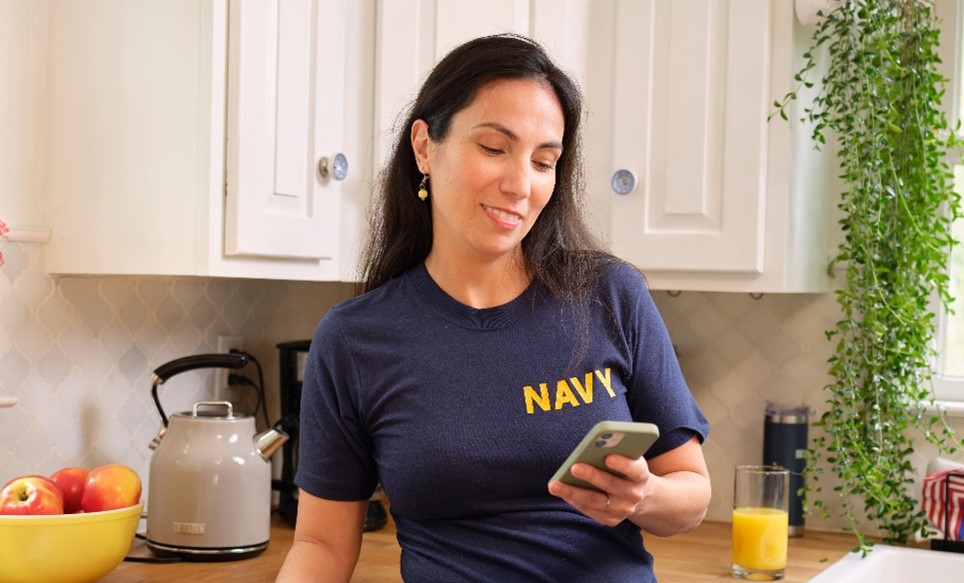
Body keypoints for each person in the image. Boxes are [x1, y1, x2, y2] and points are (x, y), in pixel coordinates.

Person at [277, 33, 710, 583]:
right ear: (424, 147)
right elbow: (319, 544)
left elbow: (693, 496)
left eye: (543, 161)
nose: (520, 184)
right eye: (493, 148)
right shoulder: (355, 340)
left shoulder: (610, 295)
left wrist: (642, 496)